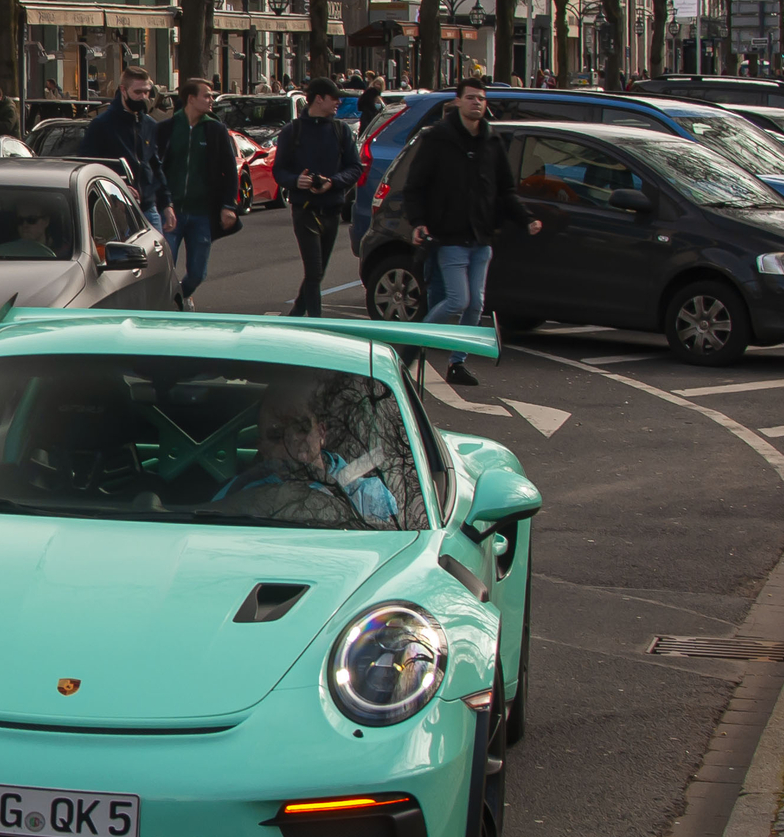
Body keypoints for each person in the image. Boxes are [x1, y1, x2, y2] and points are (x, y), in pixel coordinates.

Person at [404, 77, 541, 386]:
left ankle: (457, 362)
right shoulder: (438, 139)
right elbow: (415, 186)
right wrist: (419, 221)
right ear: (458, 102)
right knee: (457, 300)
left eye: (481, 98)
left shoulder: (492, 142)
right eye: (470, 98)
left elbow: (505, 189)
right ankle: (411, 346)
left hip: (481, 238)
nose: (476, 102)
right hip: (450, 236)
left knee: (476, 305)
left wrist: (526, 218)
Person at [210, 374, 398, 526]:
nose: (293, 440)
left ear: (321, 432)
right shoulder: (237, 491)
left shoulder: (367, 495)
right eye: (277, 435)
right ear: (263, 447)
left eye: (301, 427)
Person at [274, 77, 359, 318]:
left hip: (332, 209)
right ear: (319, 99)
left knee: (318, 273)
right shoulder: (293, 131)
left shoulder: (340, 130)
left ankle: (295, 316)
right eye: (334, 98)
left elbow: (355, 167)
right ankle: (315, 323)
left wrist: (333, 182)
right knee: (313, 271)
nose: (339, 102)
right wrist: (296, 181)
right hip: (305, 209)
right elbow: (279, 169)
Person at [152, 78, 241, 308]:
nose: (211, 100)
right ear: (191, 99)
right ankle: (168, 307)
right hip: (171, 213)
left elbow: (230, 171)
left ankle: (181, 295)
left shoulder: (216, 130)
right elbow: (154, 167)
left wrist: (228, 205)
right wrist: (161, 200)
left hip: (202, 213)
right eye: (207, 95)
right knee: (164, 269)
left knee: (198, 272)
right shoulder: (167, 129)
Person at [78, 65, 175, 233]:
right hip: (116, 207)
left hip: (148, 206)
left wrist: (166, 204)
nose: (143, 97)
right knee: (122, 257)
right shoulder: (103, 125)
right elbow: (88, 164)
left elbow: (155, 165)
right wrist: (117, 186)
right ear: (123, 90)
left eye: (146, 92)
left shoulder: (149, 124)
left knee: (155, 256)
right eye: (137, 92)